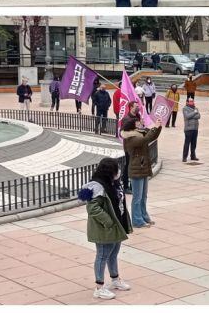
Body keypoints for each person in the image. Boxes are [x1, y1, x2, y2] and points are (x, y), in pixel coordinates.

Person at [78, 157, 132, 300]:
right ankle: (99, 288)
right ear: (110, 171)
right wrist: (108, 222)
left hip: (117, 225)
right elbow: (93, 208)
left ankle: (115, 280)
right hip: (105, 228)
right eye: (116, 169)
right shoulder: (97, 187)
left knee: (113, 253)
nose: (119, 171)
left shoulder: (113, 183)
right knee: (102, 255)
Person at [121, 116, 161, 228]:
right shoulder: (131, 137)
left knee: (144, 196)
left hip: (143, 167)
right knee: (137, 198)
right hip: (136, 169)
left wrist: (158, 126)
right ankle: (137, 221)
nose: (140, 122)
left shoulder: (140, 132)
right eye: (138, 121)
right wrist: (154, 128)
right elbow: (145, 140)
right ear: (133, 125)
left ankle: (144, 216)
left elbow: (152, 136)